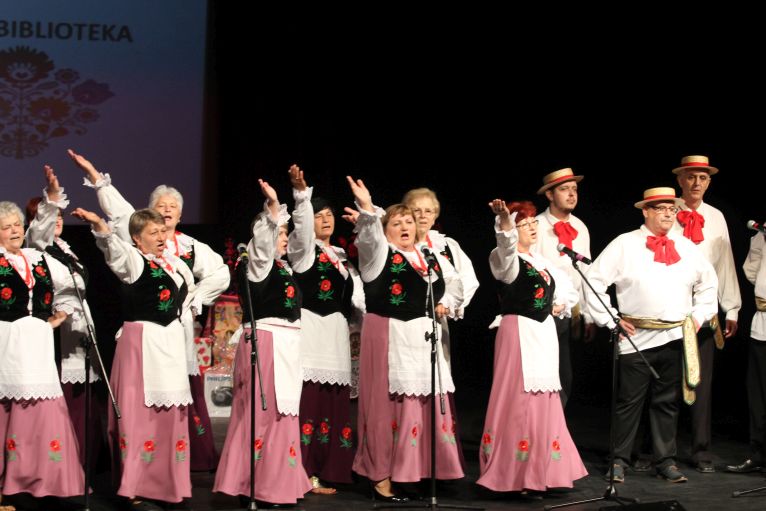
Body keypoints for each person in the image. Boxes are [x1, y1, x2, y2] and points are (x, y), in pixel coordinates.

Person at [68, 149, 229, 471]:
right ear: (148, 216)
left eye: (173, 209)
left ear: (181, 215)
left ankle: (181, 459)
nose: (166, 213)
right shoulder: (137, 249)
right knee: (145, 397)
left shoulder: (188, 249)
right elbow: (117, 215)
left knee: (179, 394)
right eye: (160, 208)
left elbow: (221, 273)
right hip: (147, 331)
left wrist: (194, 299)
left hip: (176, 331)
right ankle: (142, 463)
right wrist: (98, 180)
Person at [585, 187, 718, 484]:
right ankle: (619, 459)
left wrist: (697, 317)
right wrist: (612, 320)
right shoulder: (625, 244)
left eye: (671, 209)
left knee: (667, 402)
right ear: (646, 211)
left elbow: (709, 283)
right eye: (661, 208)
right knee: (629, 402)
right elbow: (594, 280)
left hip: (673, 336)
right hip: (637, 337)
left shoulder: (685, 246)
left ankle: (665, 460)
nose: (668, 214)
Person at [346, 176, 464, 502]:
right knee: (385, 408)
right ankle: (381, 475)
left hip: (423, 337)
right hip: (387, 333)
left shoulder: (429, 257)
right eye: (396, 223)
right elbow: (369, 239)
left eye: (408, 221)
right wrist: (368, 208)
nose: (404, 226)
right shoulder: (379, 257)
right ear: (386, 230)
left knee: (419, 407)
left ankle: (415, 471)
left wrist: (446, 303)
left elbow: (455, 286)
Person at [73, 206, 195, 507]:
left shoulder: (174, 264)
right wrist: (100, 226)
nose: (160, 237)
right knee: (139, 415)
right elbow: (114, 251)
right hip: (142, 343)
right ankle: (137, 482)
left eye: (162, 231)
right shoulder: (134, 262)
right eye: (152, 233)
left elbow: (188, 294)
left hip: (169, 344)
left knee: (170, 413)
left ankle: (169, 482)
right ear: (137, 240)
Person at [213, 179, 312, 505]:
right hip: (265, 342)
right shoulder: (256, 267)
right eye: (281, 234)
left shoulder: (284, 268)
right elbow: (260, 247)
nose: (286, 239)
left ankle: (279, 483)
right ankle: (253, 486)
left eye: (284, 233)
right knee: (262, 413)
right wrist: (271, 211)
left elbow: (305, 242)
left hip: (287, 345)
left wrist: (301, 200)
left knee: (284, 415)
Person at [477, 199, 586, 494]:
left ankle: (544, 470)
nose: (531, 228)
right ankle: (515, 472)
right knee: (519, 400)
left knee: (545, 398)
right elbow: (506, 249)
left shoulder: (544, 262)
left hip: (544, 334)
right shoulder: (506, 261)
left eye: (532, 222)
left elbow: (566, 289)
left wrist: (561, 303)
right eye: (523, 224)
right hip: (519, 332)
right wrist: (505, 223)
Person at [0, 201, 85, 509]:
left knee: (44, 415)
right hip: (7, 343)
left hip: (37, 344)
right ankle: (8, 486)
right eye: (6, 226)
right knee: (8, 414)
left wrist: (62, 313)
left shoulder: (37, 257)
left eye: (16, 225)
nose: (14, 231)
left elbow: (74, 283)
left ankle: (45, 481)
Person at [287, 165, 365, 493]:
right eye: (319, 215)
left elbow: (357, 296)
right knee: (310, 402)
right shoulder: (303, 253)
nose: (326, 219)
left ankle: (333, 468)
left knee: (334, 404)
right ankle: (303, 472)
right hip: (310, 332)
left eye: (330, 214)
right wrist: (302, 198)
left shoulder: (341, 255)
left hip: (336, 334)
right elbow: (301, 231)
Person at [25, 164, 104, 470]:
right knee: (65, 399)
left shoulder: (64, 249)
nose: (57, 219)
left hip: (81, 327)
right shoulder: (36, 247)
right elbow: (40, 230)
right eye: (49, 215)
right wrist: (53, 195)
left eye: (60, 216)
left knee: (84, 400)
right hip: (58, 330)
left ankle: (82, 462)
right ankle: (60, 466)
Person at [671, 155, 741, 473]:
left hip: (704, 309)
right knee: (665, 381)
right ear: (680, 180)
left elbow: (724, 263)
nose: (697, 183)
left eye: (702, 177)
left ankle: (700, 450)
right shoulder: (666, 211)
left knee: (701, 382)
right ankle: (657, 450)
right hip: (669, 307)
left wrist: (733, 307)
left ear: (708, 182)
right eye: (691, 177)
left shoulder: (716, 217)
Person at [534, 168, 594, 407]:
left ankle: (556, 431)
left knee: (564, 376)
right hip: (545, 311)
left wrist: (589, 314)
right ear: (549, 195)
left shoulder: (580, 226)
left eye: (574, 189)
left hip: (571, 312)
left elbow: (587, 273)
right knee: (545, 375)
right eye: (564, 189)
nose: (571, 194)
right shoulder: (536, 226)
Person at [727, 229, 766, 473]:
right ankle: (758, 453)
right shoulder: (762, 234)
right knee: (758, 395)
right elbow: (751, 270)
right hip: (762, 323)